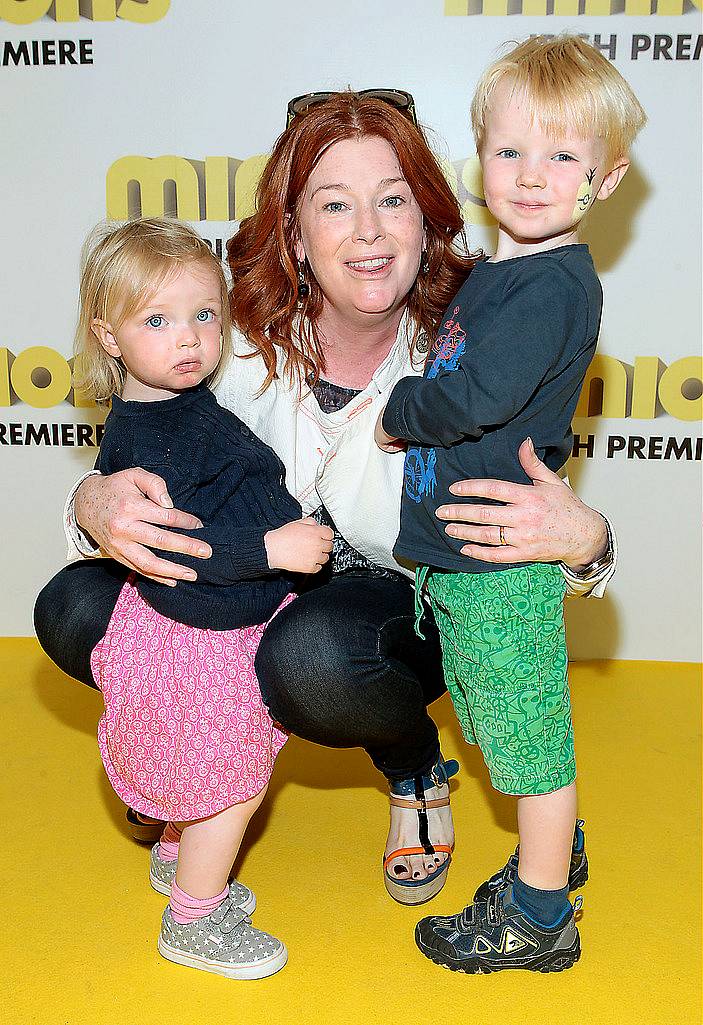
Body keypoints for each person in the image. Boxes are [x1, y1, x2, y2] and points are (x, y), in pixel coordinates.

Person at [34, 90, 617, 912]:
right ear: (295, 233)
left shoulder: (483, 341)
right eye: (333, 205)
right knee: (73, 603)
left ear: (430, 219)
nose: (369, 231)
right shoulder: (218, 333)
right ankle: (185, 753)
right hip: (241, 583)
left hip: (392, 609)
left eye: (393, 200)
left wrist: (587, 538)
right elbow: (136, 440)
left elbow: (537, 505)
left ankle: (413, 767)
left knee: (312, 656)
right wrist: (92, 499)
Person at [376, 37, 644, 971]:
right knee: (498, 722)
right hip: (463, 561)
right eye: (509, 152)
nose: (530, 177)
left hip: (500, 566)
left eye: (561, 156)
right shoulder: (499, 275)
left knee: (530, 745)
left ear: (604, 179)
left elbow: (474, 397)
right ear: (479, 156)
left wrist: (398, 412)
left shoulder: (551, 285)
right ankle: (549, 855)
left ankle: (536, 916)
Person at [70, 217, 333, 979]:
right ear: (108, 336)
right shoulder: (152, 440)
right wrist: (270, 550)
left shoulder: (172, 407)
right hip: (199, 633)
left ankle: (177, 851)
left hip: (224, 621)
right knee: (230, 782)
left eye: (203, 315)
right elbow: (177, 548)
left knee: (205, 759)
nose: (187, 338)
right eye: (156, 320)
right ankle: (192, 916)